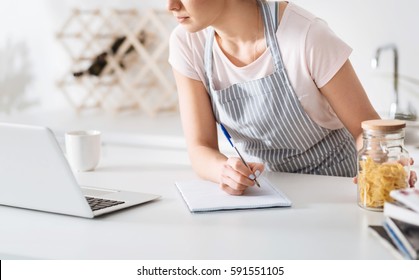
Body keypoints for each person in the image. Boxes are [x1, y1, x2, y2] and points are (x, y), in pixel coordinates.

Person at [167, 0, 417, 195]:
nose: (171, 6)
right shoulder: (187, 43)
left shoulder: (307, 36)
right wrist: (224, 171)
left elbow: (365, 128)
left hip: (334, 188)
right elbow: (200, 148)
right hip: (263, 193)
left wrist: (382, 162)